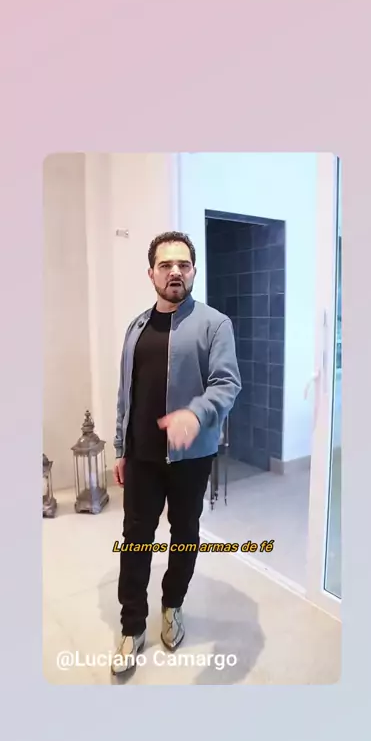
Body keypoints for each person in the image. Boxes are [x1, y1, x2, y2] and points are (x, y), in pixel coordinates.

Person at [110, 231, 241, 675]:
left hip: (191, 457)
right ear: (151, 273)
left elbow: (227, 383)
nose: (175, 272)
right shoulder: (136, 328)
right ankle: (132, 626)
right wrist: (121, 447)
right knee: (135, 540)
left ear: (193, 272)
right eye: (166, 265)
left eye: (183, 265)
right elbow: (126, 394)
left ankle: (173, 605)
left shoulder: (214, 324)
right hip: (142, 458)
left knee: (184, 533)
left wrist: (195, 413)